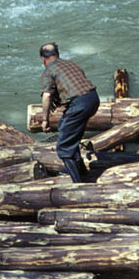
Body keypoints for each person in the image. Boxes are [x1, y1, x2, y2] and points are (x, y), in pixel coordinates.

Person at [38, 42, 99, 183]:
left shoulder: (48, 71)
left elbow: (47, 96)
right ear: (57, 54)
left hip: (79, 104)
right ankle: (81, 171)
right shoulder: (71, 63)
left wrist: (45, 120)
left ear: (43, 59)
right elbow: (74, 86)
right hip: (93, 98)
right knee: (67, 130)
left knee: (64, 147)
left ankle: (79, 184)